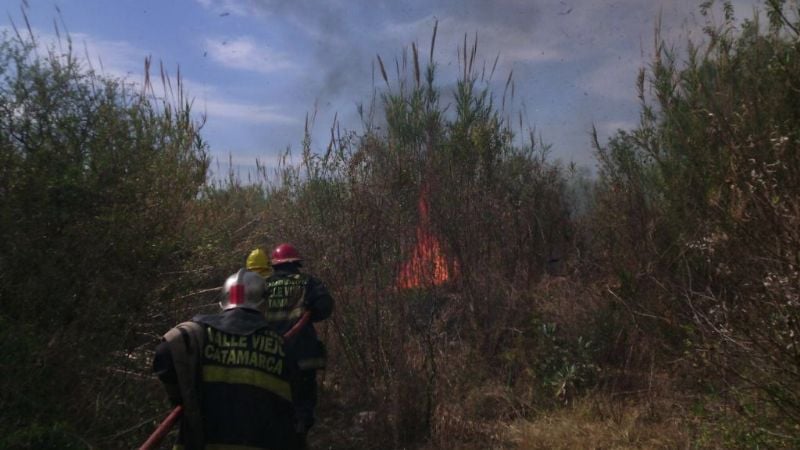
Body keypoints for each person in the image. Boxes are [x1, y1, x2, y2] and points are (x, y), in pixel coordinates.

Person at [153, 269, 299, 450]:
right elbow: (291, 408)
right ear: (263, 303)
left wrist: (183, 397)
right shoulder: (282, 347)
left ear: (223, 301)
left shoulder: (195, 334)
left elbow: (164, 352)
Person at [264, 243, 334, 444]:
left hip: (272, 358)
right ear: (296, 264)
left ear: (275, 266)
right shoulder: (308, 282)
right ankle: (299, 436)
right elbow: (325, 306)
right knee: (303, 406)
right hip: (303, 358)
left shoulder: (264, 286)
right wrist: (310, 312)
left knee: (276, 404)